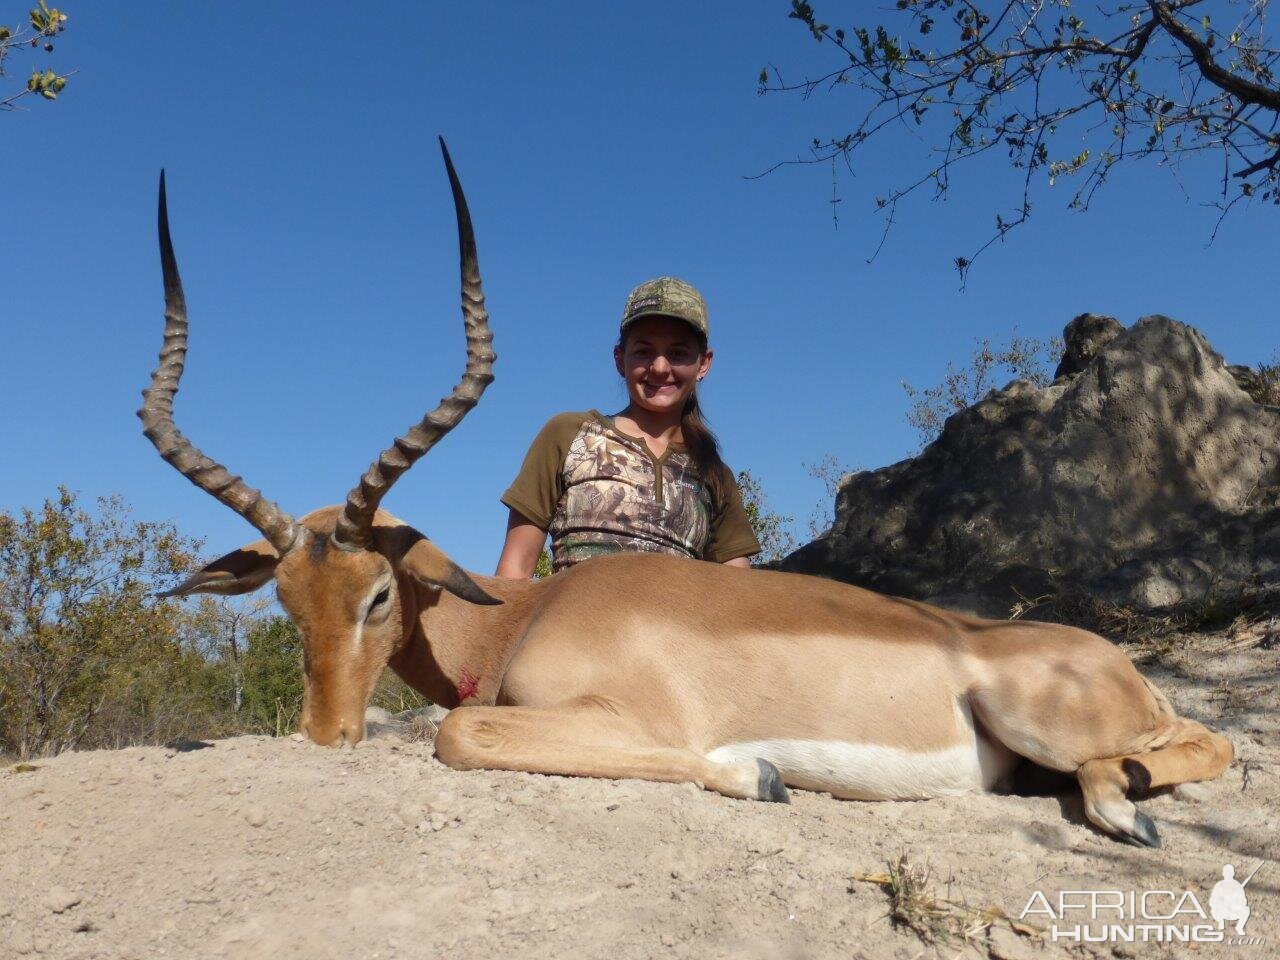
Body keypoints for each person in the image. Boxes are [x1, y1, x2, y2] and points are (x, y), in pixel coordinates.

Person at [495, 276, 761, 578]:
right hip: (573, 623)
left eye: (678, 353)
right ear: (620, 359)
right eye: (644, 351)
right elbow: (514, 571)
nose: (660, 368)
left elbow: (739, 588)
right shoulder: (568, 433)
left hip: (675, 625)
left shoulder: (714, 474)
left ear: (704, 363)